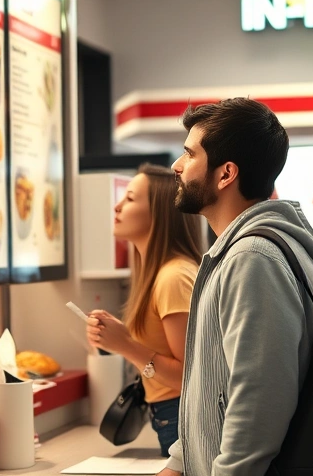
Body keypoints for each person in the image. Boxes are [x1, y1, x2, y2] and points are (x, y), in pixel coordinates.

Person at [158, 98, 313, 476]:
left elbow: (258, 402)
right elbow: (210, 386)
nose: (177, 166)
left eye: (189, 154)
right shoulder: (241, 252)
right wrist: (178, 463)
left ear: (226, 174)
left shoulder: (252, 257)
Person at [86, 164, 204, 457]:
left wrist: (124, 344)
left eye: (129, 198)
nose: (116, 206)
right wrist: (117, 338)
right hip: (171, 416)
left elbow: (187, 376)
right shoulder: (163, 273)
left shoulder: (173, 276)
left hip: (180, 417)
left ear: (159, 211)